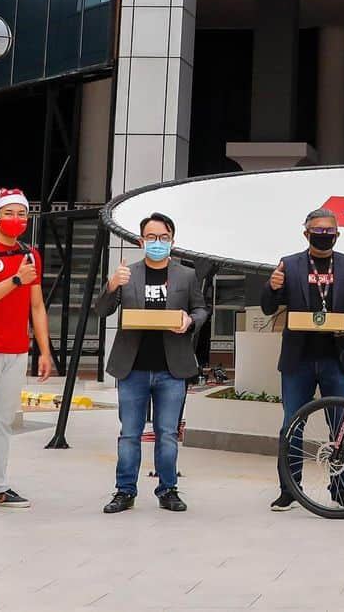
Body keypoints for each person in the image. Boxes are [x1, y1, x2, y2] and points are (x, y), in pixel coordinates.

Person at [260, 207, 344, 513]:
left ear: (337, 234)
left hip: (337, 359)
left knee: (341, 428)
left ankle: (339, 489)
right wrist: (272, 287)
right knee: (291, 426)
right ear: (306, 232)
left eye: (329, 231)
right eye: (318, 231)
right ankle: (289, 489)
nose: (324, 236)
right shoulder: (290, 264)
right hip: (298, 360)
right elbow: (268, 307)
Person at [96, 212, 207, 514]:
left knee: (167, 434)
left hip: (173, 368)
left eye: (164, 238)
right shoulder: (127, 273)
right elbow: (101, 310)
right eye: (152, 238)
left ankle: (168, 489)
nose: (157, 243)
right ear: (141, 240)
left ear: (172, 240)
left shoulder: (185, 275)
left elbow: (201, 309)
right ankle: (124, 491)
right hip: (132, 367)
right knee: (129, 434)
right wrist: (111, 285)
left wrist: (190, 321)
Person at [0, 188, 53, 508]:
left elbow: (37, 306)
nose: (16, 220)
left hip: (16, 350)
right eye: (9, 213)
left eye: (22, 214)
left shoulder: (31, 255)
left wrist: (44, 350)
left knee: (1, 420)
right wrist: (15, 279)